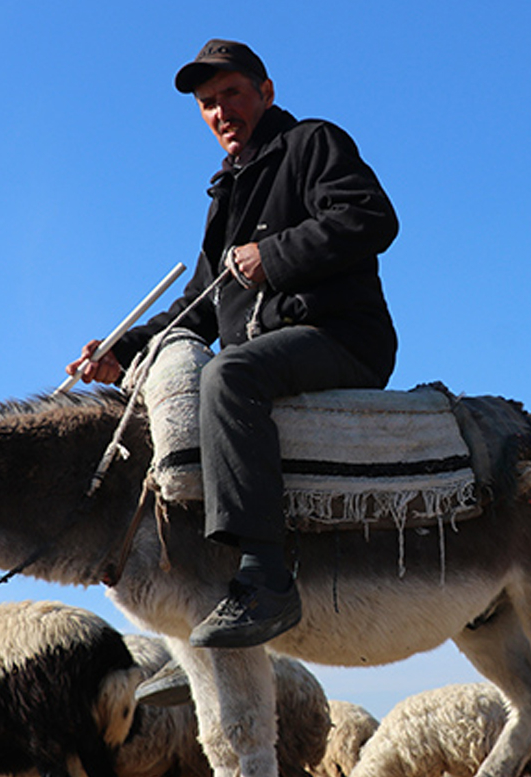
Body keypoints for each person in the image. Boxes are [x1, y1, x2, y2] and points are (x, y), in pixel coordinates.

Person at [68, 39, 399, 650]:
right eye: (207, 104)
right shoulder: (227, 194)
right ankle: (205, 598)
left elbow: (373, 218)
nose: (221, 112)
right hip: (270, 353)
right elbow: (198, 303)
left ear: (266, 93)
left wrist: (272, 256)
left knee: (227, 376)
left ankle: (265, 579)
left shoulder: (312, 143)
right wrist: (124, 347)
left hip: (341, 338)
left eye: (231, 96)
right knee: (192, 383)